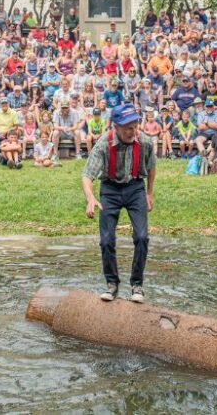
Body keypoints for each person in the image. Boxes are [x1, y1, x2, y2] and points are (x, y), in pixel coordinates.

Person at [81, 103, 157, 304]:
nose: (132, 132)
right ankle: (112, 284)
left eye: (135, 126)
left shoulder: (146, 142)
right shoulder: (103, 144)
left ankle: (137, 284)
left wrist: (149, 193)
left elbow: (151, 167)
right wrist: (90, 197)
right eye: (128, 128)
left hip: (135, 188)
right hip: (110, 189)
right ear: (116, 127)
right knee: (106, 240)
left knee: (141, 236)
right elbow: (87, 175)